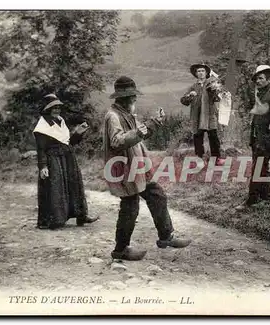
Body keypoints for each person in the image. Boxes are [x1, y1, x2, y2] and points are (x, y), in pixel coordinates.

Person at [103, 76, 192, 261]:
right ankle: (120, 249)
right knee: (130, 207)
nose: (134, 99)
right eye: (132, 97)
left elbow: (138, 135)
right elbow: (117, 141)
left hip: (138, 166)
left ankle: (166, 237)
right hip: (125, 169)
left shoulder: (127, 114)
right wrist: (143, 128)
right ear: (123, 98)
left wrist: (154, 122)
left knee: (156, 194)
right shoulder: (113, 116)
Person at [33, 94, 98, 229]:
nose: (57, 110)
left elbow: (68, 143)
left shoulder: (60, 121)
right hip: (53, 160)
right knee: (56, 189)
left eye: (58, 107)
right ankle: (55, 220)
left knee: (74, 185)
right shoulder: (42, 127)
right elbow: (41, 149)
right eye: (53, 107)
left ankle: (81, 216)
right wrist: (43, 166)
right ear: (47, 109)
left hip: (67, 158)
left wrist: (78, 133)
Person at [235, 65, 270, 211]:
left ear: (269, 79)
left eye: (261, 78)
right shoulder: (261, 93)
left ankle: (252, 200)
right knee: (263, 168)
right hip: (259, 139)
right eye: (256, 78)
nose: (257, 81)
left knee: (257, 168)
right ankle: (265, 197)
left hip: (265, 140)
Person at [180, 63, 225, 168]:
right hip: (197, 116)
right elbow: (183, 101)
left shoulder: (211, 85)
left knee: (213, 137)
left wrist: (216, 91)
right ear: (196, 74)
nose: (200, 73)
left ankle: (216, 159)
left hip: (209, 116)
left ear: (206, 73)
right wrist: (190, 96)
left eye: (202, 71)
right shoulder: (193, 87)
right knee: (198, 138)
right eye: (198, 71)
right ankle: (200, 159)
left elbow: (217, 98)